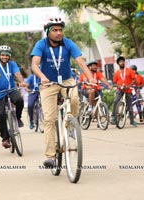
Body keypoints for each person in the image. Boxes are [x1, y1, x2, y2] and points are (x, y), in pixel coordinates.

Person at [31, 16, 96, 168]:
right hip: (49, 82)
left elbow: (80, 61)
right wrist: (42, 77)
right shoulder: (41, 44)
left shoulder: (68, 43)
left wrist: (90, 78)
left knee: (74, 99)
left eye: (60, 30)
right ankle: (50, 156)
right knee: (49, 119)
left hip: (66, 80)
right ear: (48, 32)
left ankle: (71, 124)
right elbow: (35, 65)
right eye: (55, 30)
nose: (59, 33)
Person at [0, 45, 26, 149]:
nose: (4, 57)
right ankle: (5, 138)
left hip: (11, 89)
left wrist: (21, 82)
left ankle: (18, 117)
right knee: (1, 114)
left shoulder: (12, 64)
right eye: (2, 55)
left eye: (7, 55)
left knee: (19, 100)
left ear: (9, 56)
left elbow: (17, 73)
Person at [110, 56, 137, 127]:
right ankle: (113, 116)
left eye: (123, 61)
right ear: (118, 64)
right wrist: (119, 86)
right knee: (116, 101)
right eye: (120, 62)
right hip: (120, 89)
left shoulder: (129, 70)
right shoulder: (116, 73)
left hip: (128, 89)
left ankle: (132, 121)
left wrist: (129, 85)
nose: (122, 63)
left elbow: (134, 80)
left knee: (130, 105)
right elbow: (114, 82)